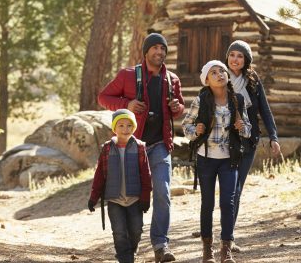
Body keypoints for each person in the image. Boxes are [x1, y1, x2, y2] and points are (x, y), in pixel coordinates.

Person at [98, 33, 185, 262]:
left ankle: (160, 245)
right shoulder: (128, 75)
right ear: (146, 52)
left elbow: (179, 109)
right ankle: (130, 247)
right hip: (132, 148)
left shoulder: (172, 79)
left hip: (160, 146)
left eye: (162, 49)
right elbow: (103, 97)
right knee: (131, 196)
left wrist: (177, 107)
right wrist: (126, 104)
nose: (159, 52)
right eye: (154, 48)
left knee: (163, 194)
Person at [182, 60, 251, 263]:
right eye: (214, 72)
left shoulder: (237, 100)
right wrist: (196, 131)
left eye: (222, 70)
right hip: (206, 159)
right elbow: (186, 126)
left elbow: (248, 131)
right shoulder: (202, 100)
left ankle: (226, 250)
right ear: (207, 80)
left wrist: (241, 126)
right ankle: (207, 249)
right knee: (208, 203)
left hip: (229, 160)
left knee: (228, 203)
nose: (220, 74)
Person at [224, 40, 280, 252]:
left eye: (239, 56)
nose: (235, 59)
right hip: (225, 142)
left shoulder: (253, 80)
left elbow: (264, 110)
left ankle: (228, 238)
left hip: (248, 142)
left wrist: (273, 136)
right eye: (232, 55)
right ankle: (218, 235)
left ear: (246, 60)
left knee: (236, 190)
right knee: (228, 190)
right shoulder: (219, 76)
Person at [88, 109, 152, 263]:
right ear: (114, 129)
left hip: (134, 199)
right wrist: (93, 197)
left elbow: (146, 175)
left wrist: (145, 198)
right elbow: (99, 175)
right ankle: (125, 258)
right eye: (121, 125)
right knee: (119, 231)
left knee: (136, 230)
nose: (125, 129)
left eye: (129, 125)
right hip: (114, 200)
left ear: (134, 128)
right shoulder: (107, 148)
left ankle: (132, 250)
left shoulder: (139, 147)